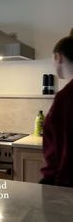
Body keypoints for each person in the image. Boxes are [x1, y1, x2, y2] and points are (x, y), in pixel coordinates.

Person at [40, 29, 73, 187]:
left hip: (65, 184)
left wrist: (54, 182)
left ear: (58, 57)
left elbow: (63, 147)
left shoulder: (66, 97)